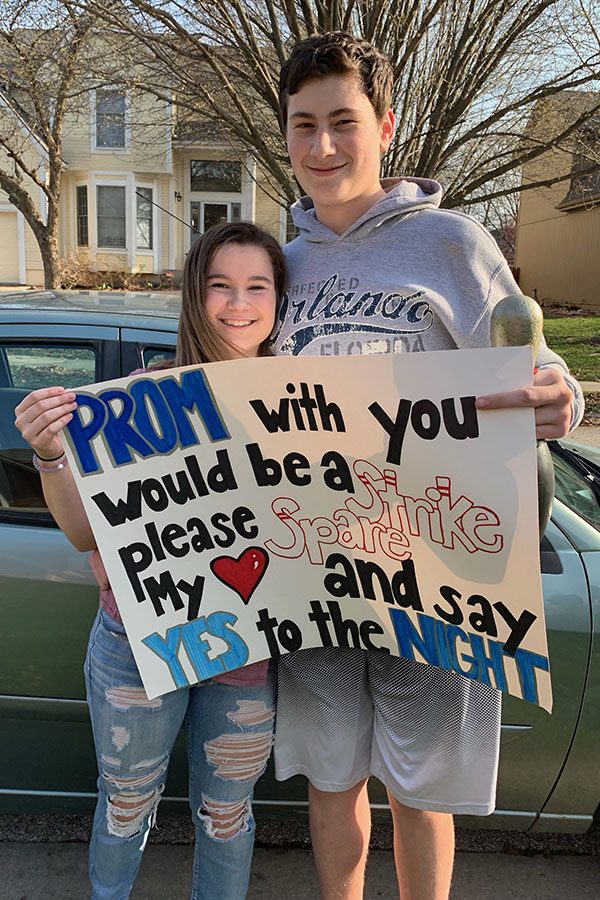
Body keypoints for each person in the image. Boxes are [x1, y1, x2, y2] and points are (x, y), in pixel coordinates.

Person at [271, 32, 584, 900]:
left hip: (435, 570)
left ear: (386, 127)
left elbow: (532, 370)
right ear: (286, 133)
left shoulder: (452, 244)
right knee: (333, 780)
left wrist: (561, 400)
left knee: (420, 787)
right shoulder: (276, 266)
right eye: (304, 125)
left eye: (344, 121)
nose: (324, 146)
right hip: (312, 572)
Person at [14, 221, 288, 900]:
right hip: (138, 643)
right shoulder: (143, 396)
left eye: (257, 285)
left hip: (246, 653)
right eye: (219, 284)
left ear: (279, 299)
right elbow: (83, 534)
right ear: (196, 295)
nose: (237, 303)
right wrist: (51, 455)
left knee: (228, 818)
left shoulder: (303, 406)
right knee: (127, 806)